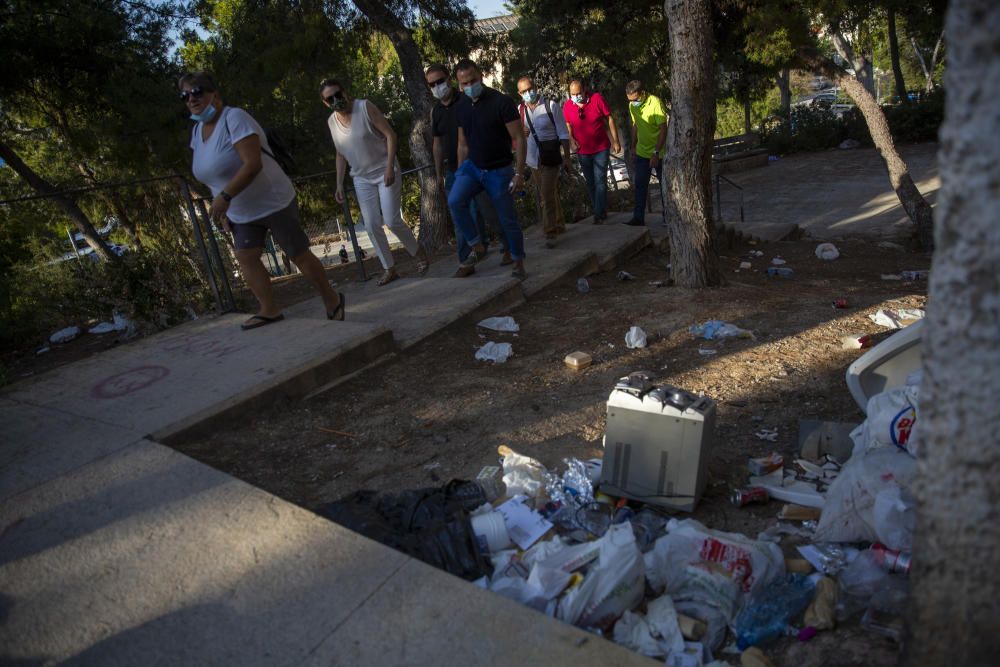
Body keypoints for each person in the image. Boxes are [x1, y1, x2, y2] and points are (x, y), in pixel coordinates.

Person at [180, 72, 344, 330]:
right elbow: (212, 176)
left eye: (197, 92)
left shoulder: (234, 119)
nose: (192, 98)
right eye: (185, 95)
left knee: (298, 253)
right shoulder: (197, 131)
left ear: (214, 94)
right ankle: (269, 309)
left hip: (272, 200)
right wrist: (223, 209)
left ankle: (331, 298)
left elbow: (252, 163)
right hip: (240, 210)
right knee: (245, 255)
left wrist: (224, 198)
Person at [321, 78, 430, 286]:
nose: (336, 100)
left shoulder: (364, 107)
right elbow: (340, 154)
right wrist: (338, 183)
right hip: (361, 177)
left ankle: (418, 252)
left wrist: (390, 166)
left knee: (391, 219)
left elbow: (390, 134)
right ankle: (389, 268)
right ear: (325, 103)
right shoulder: (331, 122)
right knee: (371, 224)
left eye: (338, 94)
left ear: (345, 92)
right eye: (330, 98)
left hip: (384, 170)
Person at [448, 59, 528, 279]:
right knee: (455, 200)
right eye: (464, 83)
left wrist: (519, 173)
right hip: (473, 167)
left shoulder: (501, 102)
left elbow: (519, 138)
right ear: (458, 83)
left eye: (473, 80)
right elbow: (462, 143)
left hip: (499, 170)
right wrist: (458, 172)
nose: (469, 85)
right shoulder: (461, 106)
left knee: (506, 219)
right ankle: (477, 245)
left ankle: (518, 260)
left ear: (481, 76)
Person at [425, 64, 509, 265]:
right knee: (459, 213)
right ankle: (467, 257)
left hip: (478, 165)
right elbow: (437, 144)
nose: (437, 86)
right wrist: (438, 172)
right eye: (432, 84)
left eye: (440, 81)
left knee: (489, 211)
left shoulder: (466, 100)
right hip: (454, 170)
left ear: (449, 79)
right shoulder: (435, 111)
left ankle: (508, 246)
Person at [516, 75, 572, 248]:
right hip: (533, 159)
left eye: (530, 88)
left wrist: (567, 157)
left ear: (535, 87)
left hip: (551, 157)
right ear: (519, 93)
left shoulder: (551, 106)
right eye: (524, 91)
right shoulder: (520, 110)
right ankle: (560, 223)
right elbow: (517, 135)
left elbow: (563, 133)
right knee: (550, 193)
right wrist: (521, 133)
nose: (528, 93)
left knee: (545, 194)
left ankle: (550, 231)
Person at [563, 79, 621, 224]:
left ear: (584, 90)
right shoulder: (568, 105)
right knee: (590, 183)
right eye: (573, 94)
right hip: (582, 150)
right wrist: (571, 139)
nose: (576, 96)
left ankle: (597, 213)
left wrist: (616, 140)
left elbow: (609, 118)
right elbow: (568, 123)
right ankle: (600, 210)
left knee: (600, 180)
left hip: (601, 148)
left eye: (578, 93)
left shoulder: (596, 99)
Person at [625, 79, 668, 226]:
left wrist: (656, 152)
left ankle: (668, 217)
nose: (633, 102)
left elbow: (663, 129)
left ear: (642, 94)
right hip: (642, 152)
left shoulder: (655, 102)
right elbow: (635, 125)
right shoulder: (632, 105)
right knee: (640, 185)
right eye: (630, 100)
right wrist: (632, 145)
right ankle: (638, 218)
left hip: (660, 152)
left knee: (665, 186)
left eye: (635, 99)